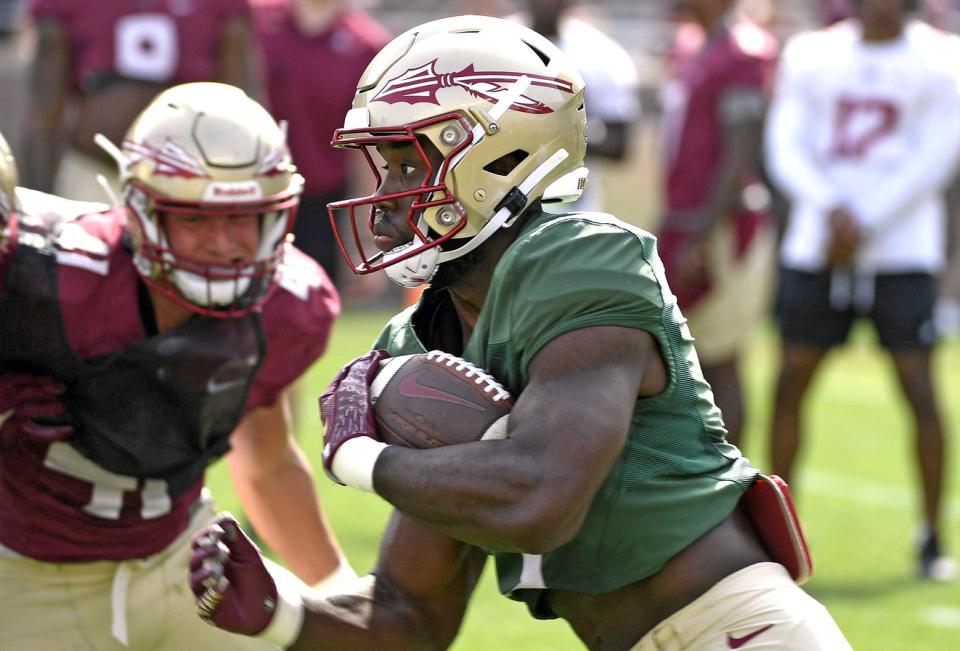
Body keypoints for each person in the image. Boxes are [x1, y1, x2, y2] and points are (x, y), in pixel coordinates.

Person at [188, 16, 852, 651]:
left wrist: (357, 458)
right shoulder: (418, 341)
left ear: (497, 155)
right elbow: (410, 615)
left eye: (409, 165)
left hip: (737, 631)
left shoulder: (582, 257)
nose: (386, 199)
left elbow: (542, 495)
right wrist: (277, 609)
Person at [0, 83, 355, 650]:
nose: (223, 243)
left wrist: (339, 594)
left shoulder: (288, 303)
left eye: (245, 218)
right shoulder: (46, 279)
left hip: (185, 559)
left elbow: (265, 462)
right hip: (28, 571)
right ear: (140, 212)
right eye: (195, 219)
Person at [764, 0, 960, 581]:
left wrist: (863, 221)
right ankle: (780, 533)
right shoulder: (812, 53)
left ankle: (931, 535)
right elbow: (785, 144)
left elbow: (935, 156)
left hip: (902, 249)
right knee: (792, 380)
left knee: (919, 386)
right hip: (816, 243)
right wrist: (829, 210)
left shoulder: (942, 59)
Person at [655, 0, 778, 448]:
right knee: (681, 362)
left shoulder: (744, 51)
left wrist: (703, 233)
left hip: (722, 226)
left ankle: (729, 481)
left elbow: (740, 151)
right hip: (686, 219)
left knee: (720, 360)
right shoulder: (693, 45)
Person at [20, 0, 261, 203]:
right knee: (81, 255)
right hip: (94, 170)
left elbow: (243, 101)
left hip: (195, 178)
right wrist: (37, 195)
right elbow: (45, 111)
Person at [251, 0, 390, 286]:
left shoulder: (366, 45)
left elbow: (367, 149)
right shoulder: (254, 20)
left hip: (323, 206)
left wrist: (364, 236)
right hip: (253, 193)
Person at [518, 0, 640, 213]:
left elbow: (618, 146)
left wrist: (550, 137)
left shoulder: (597, 53)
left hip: (571, 210)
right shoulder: (495, 39)